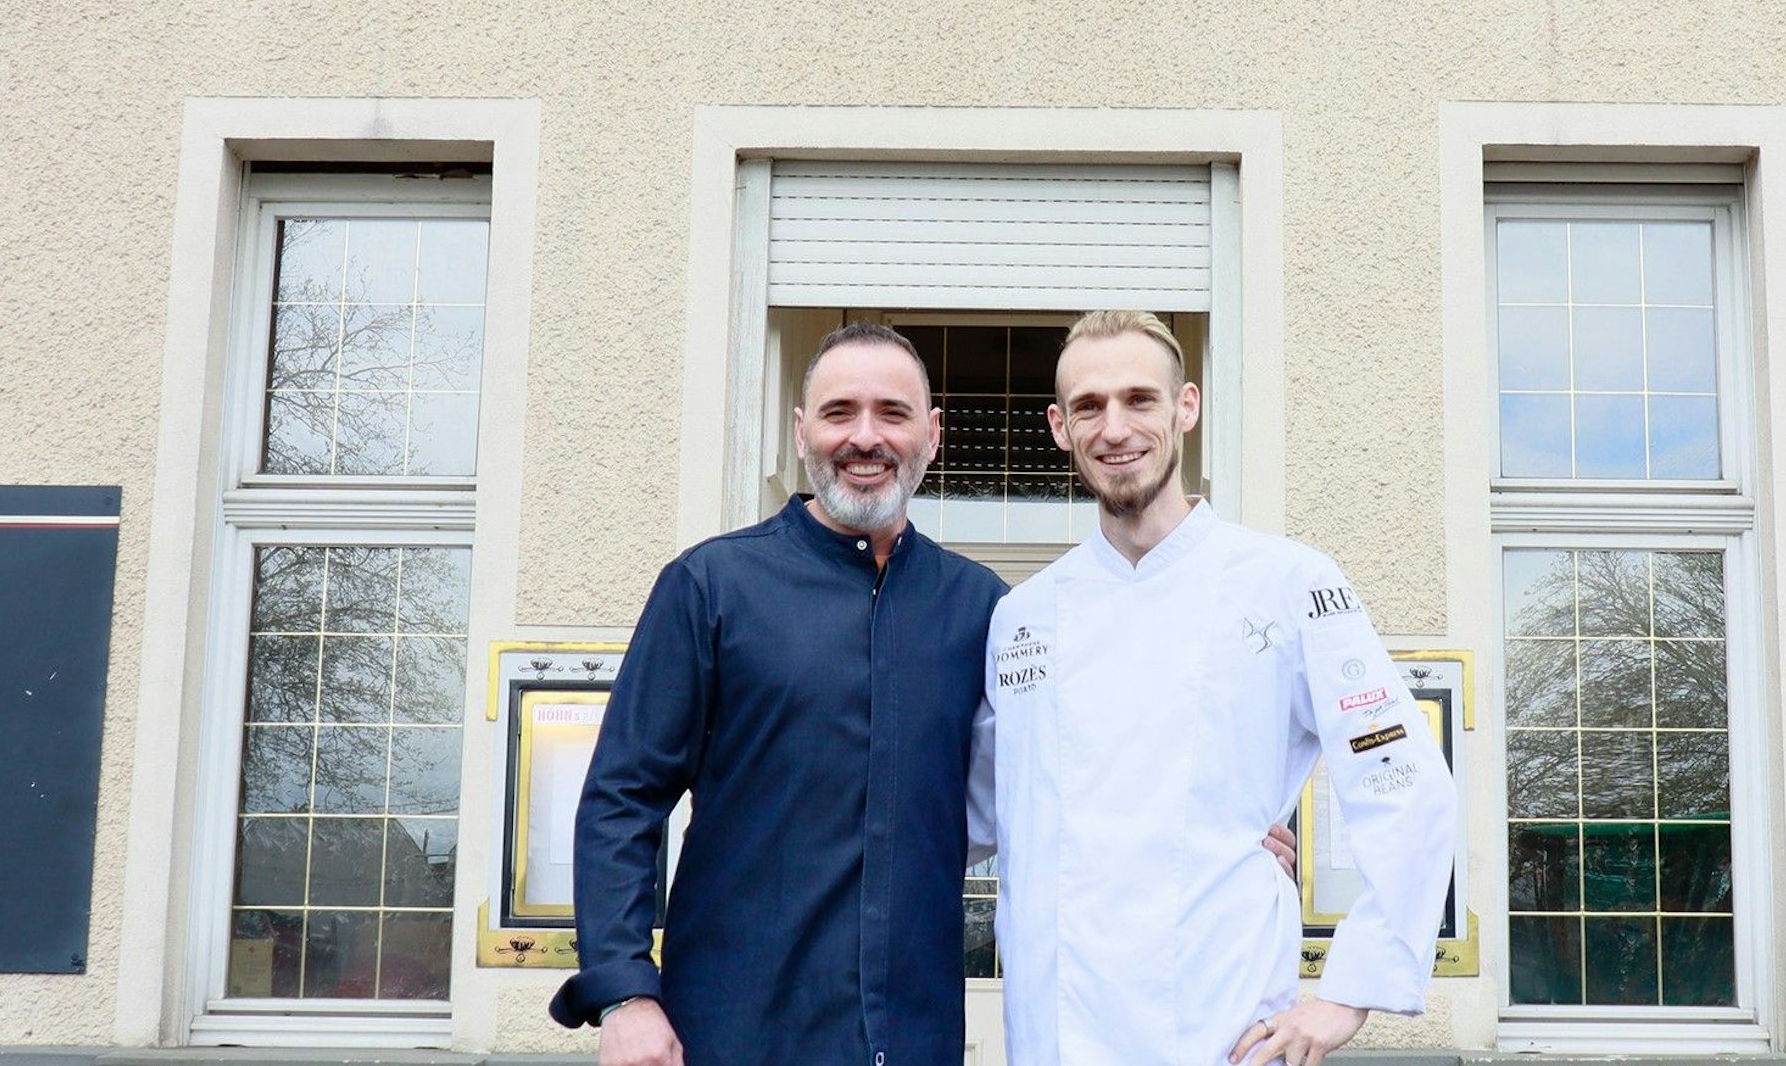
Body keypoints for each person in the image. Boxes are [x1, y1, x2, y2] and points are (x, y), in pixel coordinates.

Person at [976, 310, 1458, 1066]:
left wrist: (1347, 993)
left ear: (1186, 407)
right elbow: (978, 810)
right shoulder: (1022, 617)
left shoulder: (1288, 583)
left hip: (1221, 1031)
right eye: (1088, 407)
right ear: (1059, 427)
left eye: (1140, 399)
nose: (1115, 428)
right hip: (1053, 1035)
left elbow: (1402, 781)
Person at [551, 322, 1008, 1066]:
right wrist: (626, 994)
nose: (866, 437)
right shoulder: (710, 587)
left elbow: (1062, 777)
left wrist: (1237, 835)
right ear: (801, 433)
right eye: (839, 413)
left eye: (892, 413)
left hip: (915, 1036)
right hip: (734, 1032)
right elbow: (621, 799)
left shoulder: (982, 609)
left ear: (932, 434)